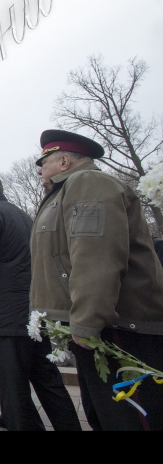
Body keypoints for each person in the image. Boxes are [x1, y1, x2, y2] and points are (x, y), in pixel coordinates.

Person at [32, 130, 163, 432]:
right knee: (104, 415)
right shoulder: (68, 189)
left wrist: (88, 321)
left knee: (131, 418)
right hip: (99, 327)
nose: (40, 169)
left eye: (45, 161)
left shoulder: (88, 183)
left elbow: (96, 256)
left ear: (64, 160)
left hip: (117, 328)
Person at [0, 169, 81, 432]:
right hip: (32, 314)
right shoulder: (24, 216)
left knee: (13, 390)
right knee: (49, 383)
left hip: (6, 318)